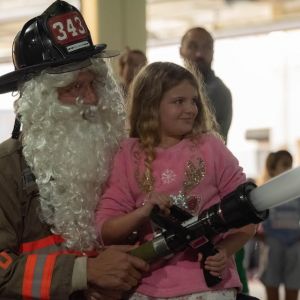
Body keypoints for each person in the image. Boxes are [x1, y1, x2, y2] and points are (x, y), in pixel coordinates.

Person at [0, 1, 149, 299]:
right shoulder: (7, 168)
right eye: (74, 88)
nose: (91, 99)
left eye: (93, 84)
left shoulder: (121, 154)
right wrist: (84, 274)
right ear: (40, 99)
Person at [95, 61, 256, 300]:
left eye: (194, 101)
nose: (191, 109)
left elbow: (249, 213)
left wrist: (223, 250)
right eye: (179, 101)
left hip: (207, 284)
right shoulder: (127, 154)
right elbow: (105, 230)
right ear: (151, 105)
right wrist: (142, 213)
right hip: (146, 286)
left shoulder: (210, 147)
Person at [258, 150, 300, 300]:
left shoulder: (296, 192)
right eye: (285, 165)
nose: (289, 168)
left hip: (295, 243)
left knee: (293, 283)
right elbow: (259, 217)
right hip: (273, 242)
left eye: (290, 165)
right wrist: (261, 235)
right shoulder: (267, 191)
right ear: (273, 168)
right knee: (272, 281)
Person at [179, 27, 232, 144]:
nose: (199, 54)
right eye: (193, 47)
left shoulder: (220, 92)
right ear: (181, 51)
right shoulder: (167, 87)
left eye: (206, 47)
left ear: (213, 52)